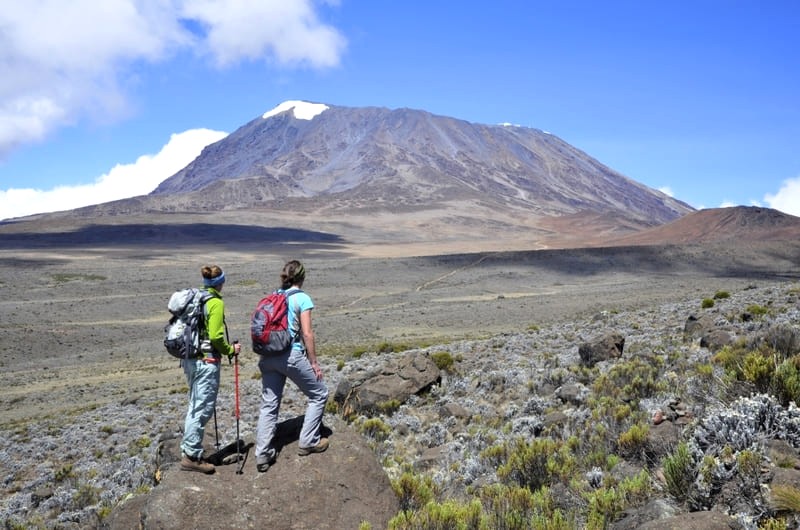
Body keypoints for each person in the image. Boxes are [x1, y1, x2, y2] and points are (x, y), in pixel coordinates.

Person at [255, 260, 329, 472]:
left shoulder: (274, 296)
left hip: (267, 357)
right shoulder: (301, 298)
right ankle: (308, 441)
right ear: (302, 277)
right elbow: (307, 333)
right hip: (290, 355)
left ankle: (262, 454)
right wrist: (313, 362)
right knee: (319, 394)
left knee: (269, 405)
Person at [180, 265, 241, 474]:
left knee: (194, 405)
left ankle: (189, 450)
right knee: (202, 408)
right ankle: (191, 457)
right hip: (206, 362)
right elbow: (215, 336)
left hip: (190, 360)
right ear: (220, 283)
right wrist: (230, 349)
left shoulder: (196, 299)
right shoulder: (214, 303)